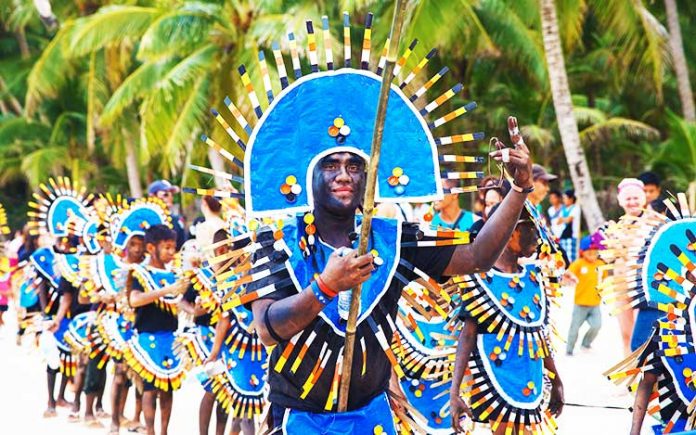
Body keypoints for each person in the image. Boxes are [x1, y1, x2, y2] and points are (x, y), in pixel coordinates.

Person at [449, 204, 564, 433]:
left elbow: (540, 336)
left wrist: (556, 379)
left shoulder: (535, 277)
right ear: (509, 231)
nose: (538, 238)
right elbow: (468, 335)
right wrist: (454, 392)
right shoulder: (479, 279)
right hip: (496, 375)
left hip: (530, 377)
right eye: (531, 229)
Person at [127, 224, 189, 435]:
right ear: (152, 248)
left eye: (174, 248)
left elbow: (182, 303)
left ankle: (164, 432)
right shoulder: (140, 272)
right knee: (150, 389)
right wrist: (165, 290)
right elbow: (134, 300)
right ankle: (150, 431)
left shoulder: (175, 274)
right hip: (148, 338)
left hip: (169, 337)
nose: (172, 252)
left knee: (168, 388)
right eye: (167, 247)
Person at [564, 235, 604, 355]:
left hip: (595, 303)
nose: (592, 255)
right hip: (580, 303)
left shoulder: (601, 264)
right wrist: (568, 278)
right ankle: (569, 350)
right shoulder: (579, 264)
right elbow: (568, 273)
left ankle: (586, 344)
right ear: (582, 252)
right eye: (589, 252)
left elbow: (605, 279)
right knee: (574, 328)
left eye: (595, 252)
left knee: (597, 325)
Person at [147, 180, 187, 250]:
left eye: (172, 194)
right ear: (153, 196)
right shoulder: (146, 220)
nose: (170, 197)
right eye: (166, 194)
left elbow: (183, 246)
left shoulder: (176, 220)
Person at [558, 189, 580, 262]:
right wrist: (564, 219)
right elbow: (559, 221)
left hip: (572, 236)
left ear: (571, 199)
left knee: (571, 258)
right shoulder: (563, 209)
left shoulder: (575, 208)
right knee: (563, 258)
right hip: (563, 235)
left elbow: (568, 219)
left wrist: (563, 219)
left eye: (565, 198)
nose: (563, 200)